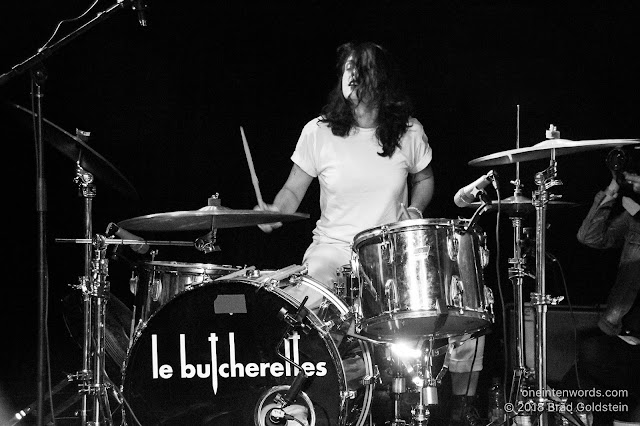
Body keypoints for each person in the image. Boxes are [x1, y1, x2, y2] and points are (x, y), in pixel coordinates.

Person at [560, 149, 640, 425]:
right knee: (578, 377)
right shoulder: (634, 219)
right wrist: (613, 188)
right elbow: (590, 237)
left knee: (592, 359)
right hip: (621, 334)